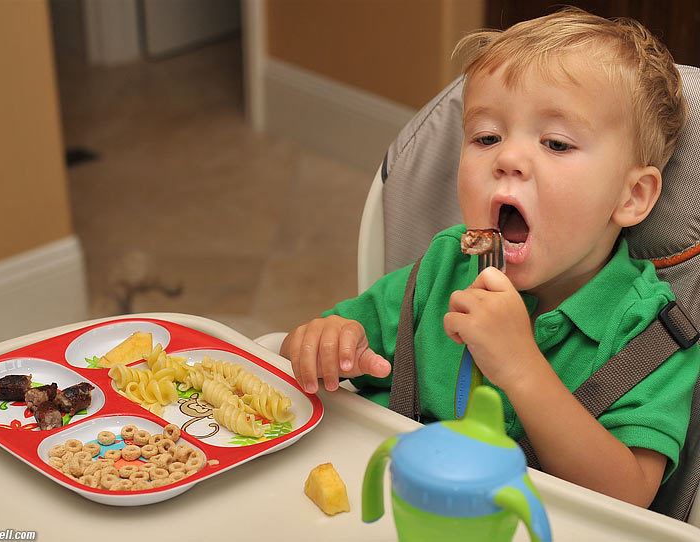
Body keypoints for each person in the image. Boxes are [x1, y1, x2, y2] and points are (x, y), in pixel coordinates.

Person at [280, 8, 700, 508]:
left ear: (632, 196)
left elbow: (627, 496)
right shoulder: (443, 266)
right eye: (486, 137)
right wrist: (324, 344)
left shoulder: (650, 332)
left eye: (556, 143)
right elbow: (301, 352)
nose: (508, 158)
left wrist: (520, 367)